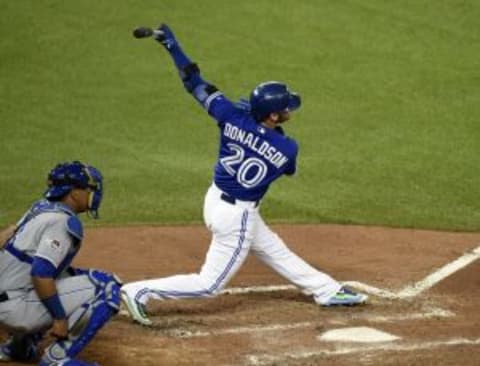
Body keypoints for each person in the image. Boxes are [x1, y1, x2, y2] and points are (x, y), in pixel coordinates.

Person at [121, 24, 367, 326]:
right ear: (274, 116)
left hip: (214, 199)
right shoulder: (287, 147)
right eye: (286, 109)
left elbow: (194, 83)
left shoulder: (229, 116)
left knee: (272, 248)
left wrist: (172, 45)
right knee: (209, 284)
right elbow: (287, 168)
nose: (291, 111)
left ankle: (326, 290)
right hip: (236, 217)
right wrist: (258, 125)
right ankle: (139, 291)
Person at [0, 161, 122, 366]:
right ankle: (57, 359)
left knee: (68, 274)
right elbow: (40, 273)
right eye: (88, 189)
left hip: (7, 297)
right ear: (73, 192)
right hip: (15, 309)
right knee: (106, 286)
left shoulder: (39, 208)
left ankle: (18, 347)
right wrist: (59, 318)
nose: (93, 193)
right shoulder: (62, 221)